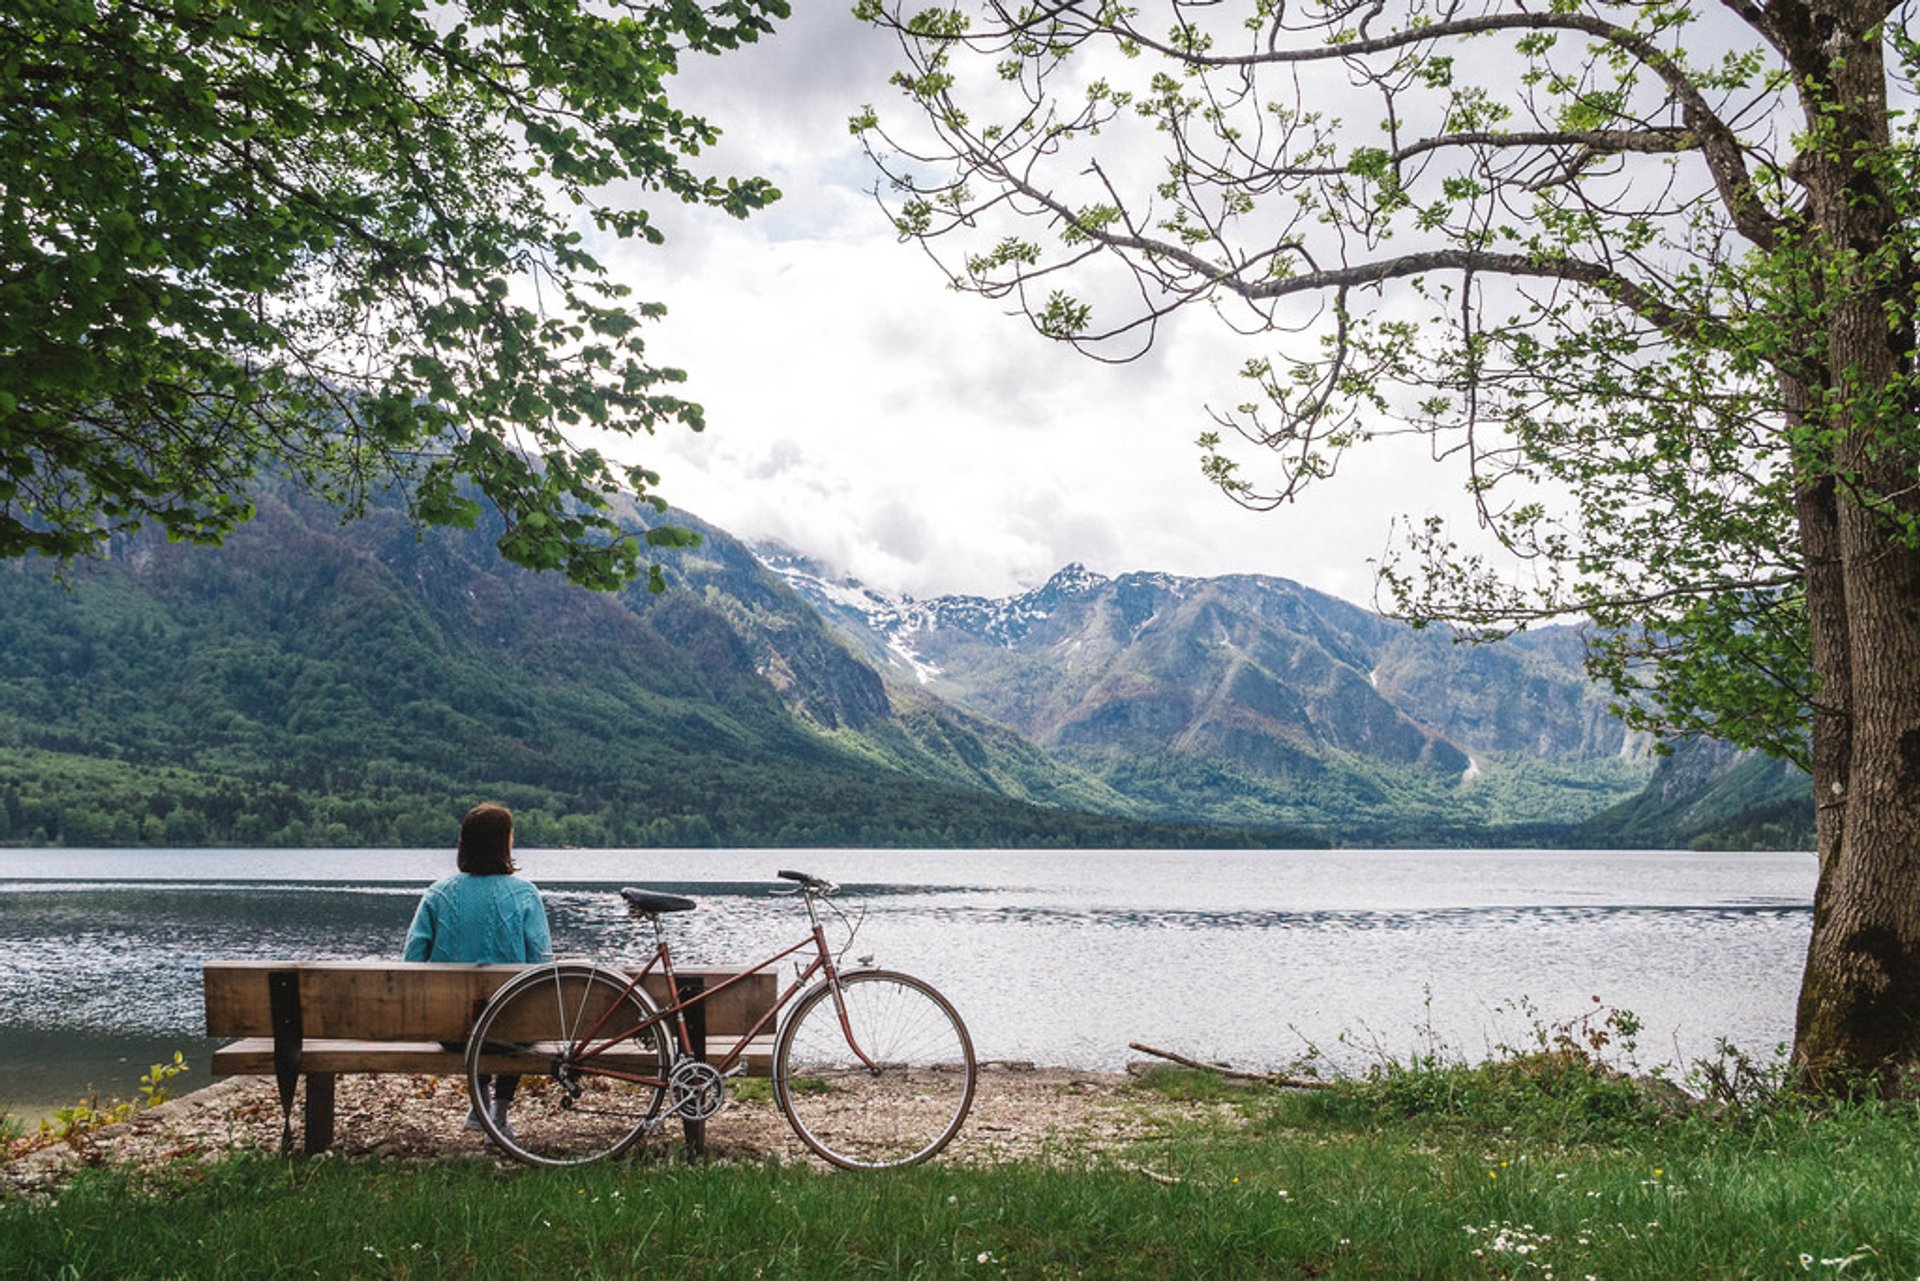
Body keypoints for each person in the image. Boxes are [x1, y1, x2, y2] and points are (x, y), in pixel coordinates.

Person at [404, 802, 552, 1141]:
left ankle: (481, 1104)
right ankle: (497, 1113)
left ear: (465, 843)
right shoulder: (526, 894)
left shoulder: (438, 894)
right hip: (514, 1031)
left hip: (452, 1032)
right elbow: (543, 966)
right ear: (505, 844)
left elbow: (411, 961)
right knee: (513, 1009)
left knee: (474, 1012)